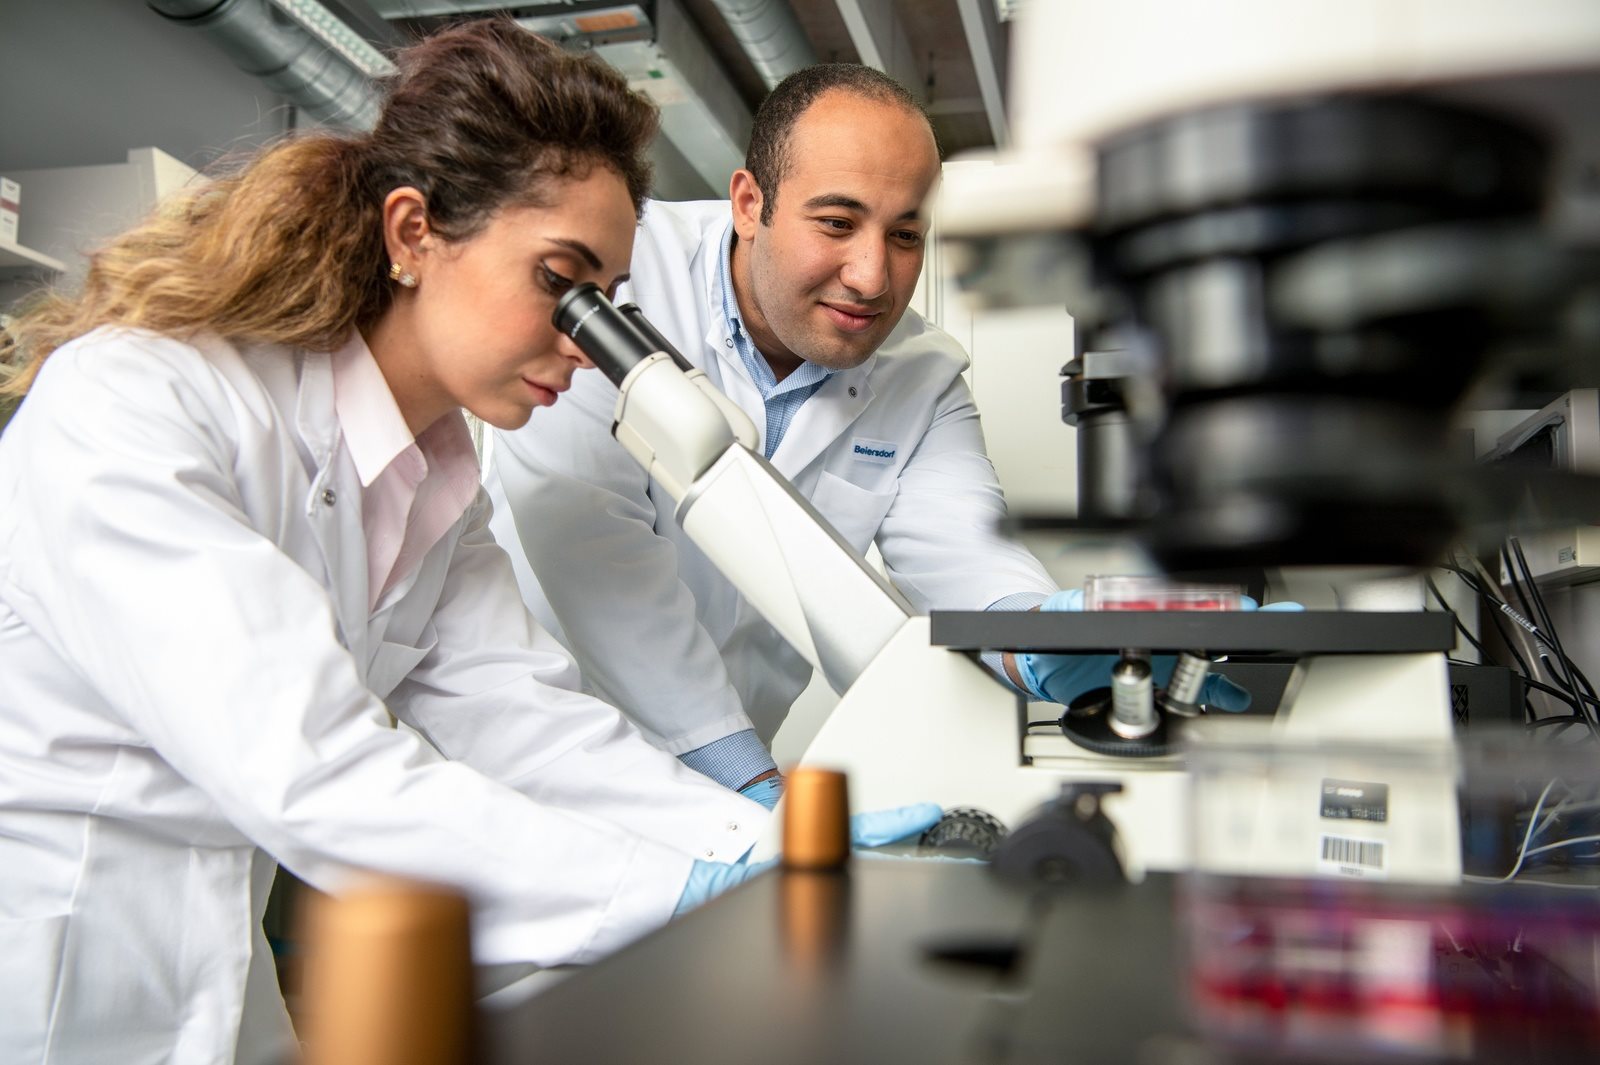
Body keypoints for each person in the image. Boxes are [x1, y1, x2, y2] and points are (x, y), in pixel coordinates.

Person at [0, 23, 934, 1065]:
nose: (585, 344)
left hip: (220, 994)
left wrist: (761, 851)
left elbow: (528, 721)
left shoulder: (435, 475)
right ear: (412, 232)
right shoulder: (136, 403)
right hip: (52, 984)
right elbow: (311, 767)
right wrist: (676, 892)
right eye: (559, 281)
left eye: (606, 303)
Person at [485, 64, 1259, 810]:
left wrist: (1047, 640)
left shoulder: (921, 377)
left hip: (734, 773)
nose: (872, 276)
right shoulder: (616, 281)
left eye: (906, 235)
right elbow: (593, 555)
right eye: (837, 222)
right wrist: (756, 790)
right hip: (542, 759)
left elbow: (968, 556)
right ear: (750, 202)